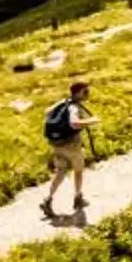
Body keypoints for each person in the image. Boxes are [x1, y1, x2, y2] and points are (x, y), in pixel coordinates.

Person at [40, 79, 96, 217]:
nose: (88, 93)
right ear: (78, 93)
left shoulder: (63, 102)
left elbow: (47, 112)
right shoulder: (74, 108)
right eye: (85, 91)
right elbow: (74, 124)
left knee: (60, 172)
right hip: (72, 145)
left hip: (57, 144)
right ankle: (78, 198)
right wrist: (92, 120)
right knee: (78, 171)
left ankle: (48, 200)